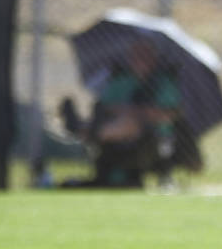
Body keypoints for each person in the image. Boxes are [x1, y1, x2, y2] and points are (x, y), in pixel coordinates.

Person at [60, 38, 195, 188]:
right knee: (119, 121)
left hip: (152, 138)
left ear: (153, 58)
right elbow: (104, 107)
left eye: (144, 55)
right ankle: (90, 130)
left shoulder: (164, 83)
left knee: (131, 122)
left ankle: (86, 131)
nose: (139, 60)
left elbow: (169, 114)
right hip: (116, 133)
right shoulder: (121, 81)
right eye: (135, 55)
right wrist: (125, 111)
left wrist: (134, 111)